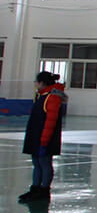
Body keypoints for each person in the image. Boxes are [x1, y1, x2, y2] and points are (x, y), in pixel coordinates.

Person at [18, 71, 66, 204]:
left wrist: (44, 140)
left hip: (45, 137)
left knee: (44, 163)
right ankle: (35, 188)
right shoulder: (42, 96)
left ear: (42, 83)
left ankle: (44, 190)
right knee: (37, 163)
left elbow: (50, 121)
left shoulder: (52, 98)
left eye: (36, 81)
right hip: (36, 136)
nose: (35, 84)